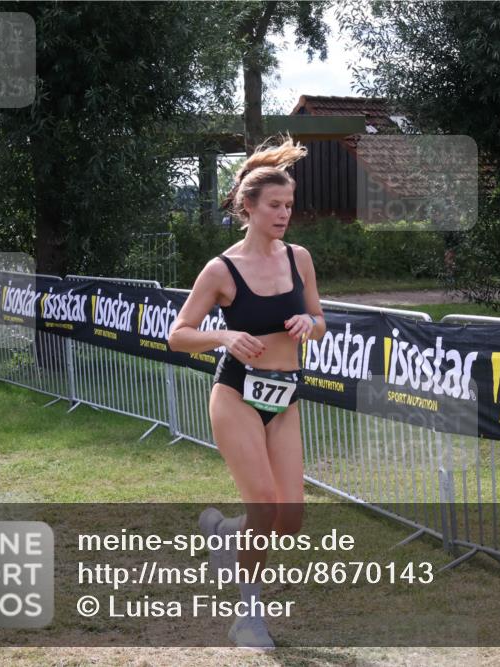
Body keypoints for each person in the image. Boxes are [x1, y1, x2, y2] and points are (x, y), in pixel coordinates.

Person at [168, 136, 325, 649]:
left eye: (289, 206)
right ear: (248, 207)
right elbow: (179, 333)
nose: (284, 215)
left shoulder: (298, 258)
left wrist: (309, 321)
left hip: (284, 399)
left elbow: (320, 321)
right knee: (263, 506)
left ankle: (225, 532)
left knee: (290, 520)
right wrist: (223, 335)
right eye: (275, 206)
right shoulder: (222, 269)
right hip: (236, 395)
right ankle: (248, 614)